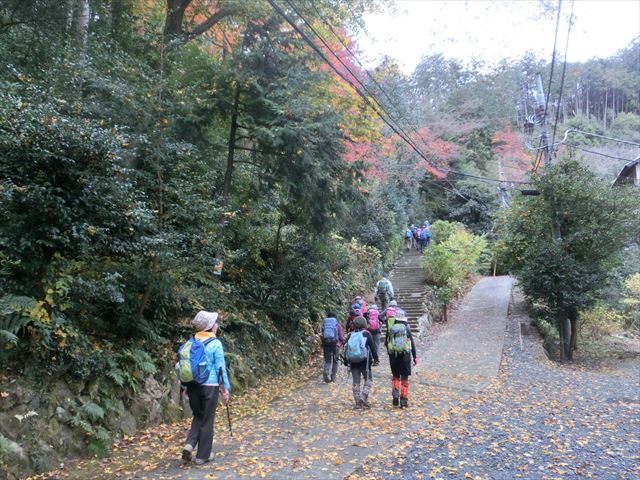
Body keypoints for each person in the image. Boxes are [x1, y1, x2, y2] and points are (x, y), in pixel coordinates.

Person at [181, 311, 230, 465]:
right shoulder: (215, 344)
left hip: (193, 386)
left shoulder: (191, 342)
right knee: (207, 419)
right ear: (210, 326)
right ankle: (203, 456)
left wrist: (184, 386)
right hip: (210, 386)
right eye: (215, 323)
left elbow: (185, 366)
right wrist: (225, 388)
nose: (217, 325)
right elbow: (220, 368)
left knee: (198, 415)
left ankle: (189, 444)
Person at [344, 316, 379, 409]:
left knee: (356, 382)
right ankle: (363, 397)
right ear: (364, 324)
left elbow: (345, 348)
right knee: (368, 380)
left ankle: (358, 402)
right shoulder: (366, 334)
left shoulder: (350, 335)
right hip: (365, 362)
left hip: (353, 362)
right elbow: (373, 348)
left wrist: (345, 360)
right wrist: (376, 359)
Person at [385, 309, 417, 408]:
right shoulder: (406, 328)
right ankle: (403, 401)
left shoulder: (391, 328)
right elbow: (412, 344)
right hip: (405, 357)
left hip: (394, 357)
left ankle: (395, 395)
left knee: (395, 377)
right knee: (405, 379)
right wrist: (415, 357)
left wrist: (390, 354)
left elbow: (386, 343)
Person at [320, 311, 344, 383]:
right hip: (336, 345)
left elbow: (322, 335)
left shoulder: (324, 325)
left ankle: (326, 372)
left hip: (326, 345)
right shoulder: (337, 325)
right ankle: (333, 377)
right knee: (335, 361)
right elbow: (341, 337)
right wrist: (342, 343)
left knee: (327, 361)